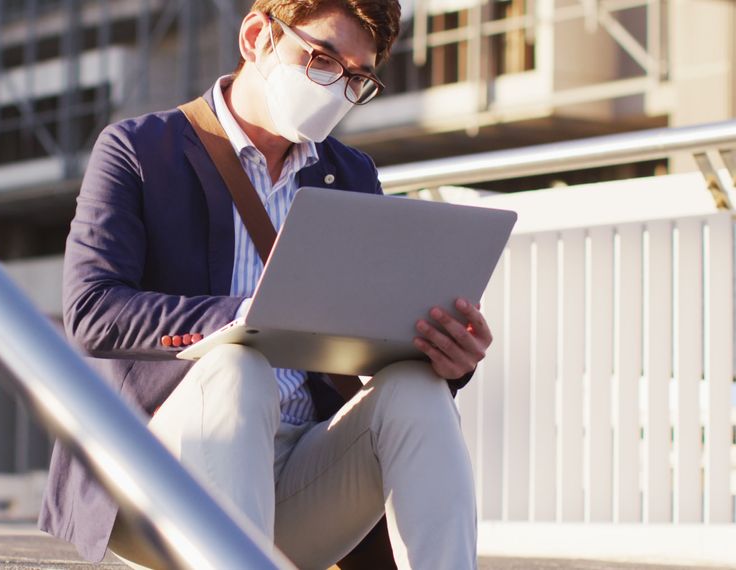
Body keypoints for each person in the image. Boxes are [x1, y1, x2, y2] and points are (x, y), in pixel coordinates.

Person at [39, 1, 491, 568]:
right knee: (237, 364)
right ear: (257, 36)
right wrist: (244, 319)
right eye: (322, 59)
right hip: (161, 488)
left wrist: (444, 351)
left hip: (297, 486)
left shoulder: (349, 174)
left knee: (419, 394)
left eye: (356, 77)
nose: (335, 87)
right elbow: (92, 311)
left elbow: (368, 327)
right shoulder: (137, 149)